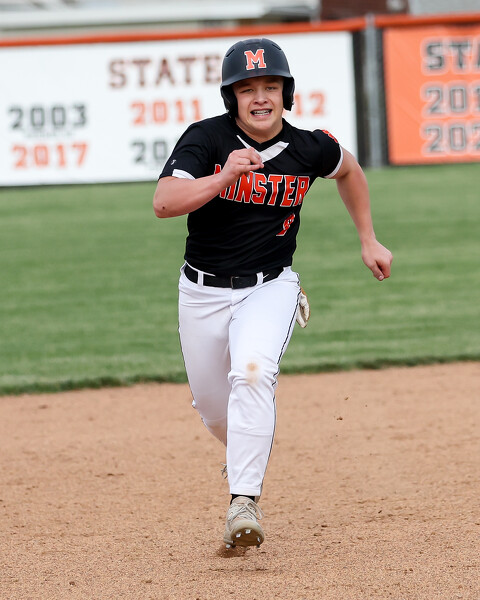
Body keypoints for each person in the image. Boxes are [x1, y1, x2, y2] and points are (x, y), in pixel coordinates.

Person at [153, 38, 392, 549]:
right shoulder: (207, 139)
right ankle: (245, 453)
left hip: (270, 286)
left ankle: (243, 503)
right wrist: (223, 177)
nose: (260, 97)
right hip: (201, 292)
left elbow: (349, 170)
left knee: (253, 373)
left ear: (286, 93)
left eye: (270, 86)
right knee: (214, 411)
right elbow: (164, 202)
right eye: (247, 89)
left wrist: (368, 239)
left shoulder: (309, 146)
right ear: (232, 98)